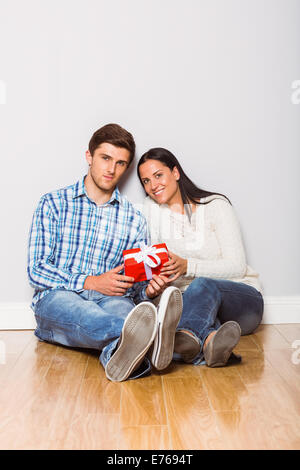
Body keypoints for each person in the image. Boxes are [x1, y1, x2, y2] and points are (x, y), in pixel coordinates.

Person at [27, 125, 183, 382]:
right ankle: (157, 343)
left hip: (112, 299)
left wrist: (150, 290)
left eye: (121, 163)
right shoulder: (52, 203)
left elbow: (135, 288)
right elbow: (37, 270)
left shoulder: (134, 219)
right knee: (87, 315)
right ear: (89, 156)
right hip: (59, 297)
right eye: (105, 158)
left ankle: (121, 357)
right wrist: (91, 282)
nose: (111, 169)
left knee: (129, 313)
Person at [137, 147, 264, 367]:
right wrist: (155, 284)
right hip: (196, 306)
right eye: (146, 181)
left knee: (202, 285)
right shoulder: (152, 209)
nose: (153, 186)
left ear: (175, 173)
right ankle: (210, 343)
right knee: (192, 300)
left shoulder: (216, 206)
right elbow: (154, 262)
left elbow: (237, 266)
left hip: (241, 301)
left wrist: (188, 266)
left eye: (158, 175)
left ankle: (182, 340)